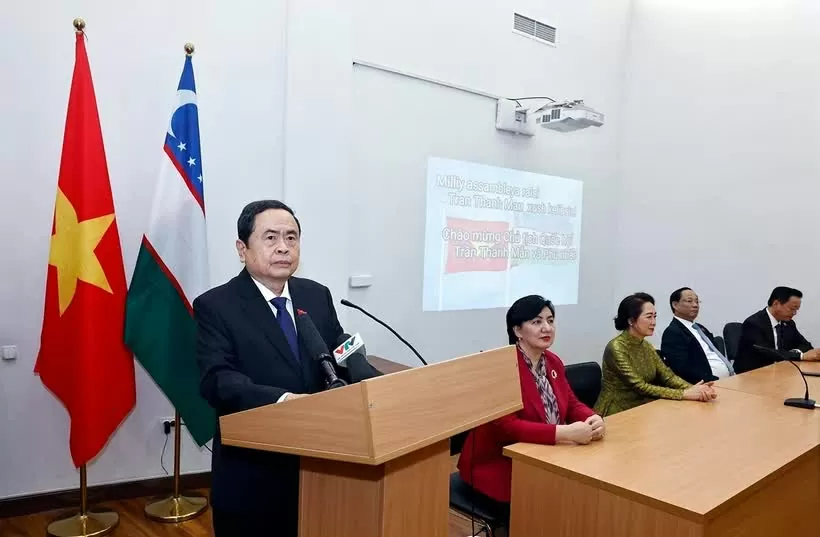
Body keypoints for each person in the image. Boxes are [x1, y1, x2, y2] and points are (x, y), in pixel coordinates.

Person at [194, 200, 344, 537]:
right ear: (242, 249)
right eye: (271, 237)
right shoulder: (216, 306)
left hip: (322, 466)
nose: (283, 247)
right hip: (254, 472)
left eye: (291, 238)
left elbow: (337, 354)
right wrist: (284, 400)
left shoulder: (316, 295)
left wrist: (375, 380)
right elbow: (218, 380)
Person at [457, 295, 605, 517]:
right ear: (517, 330)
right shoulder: (502, 367)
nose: (547, 328)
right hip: (499, 462)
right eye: (536, 322)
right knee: (550, 501)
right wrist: (563, 432)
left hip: (545, 453)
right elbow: (507, 427)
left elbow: (571, 403)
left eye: (550, 320)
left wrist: (592, 418)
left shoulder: (552, 361)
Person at [594, 292, 717, 417]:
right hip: (617, 412)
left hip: (644, 407)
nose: (653, 322)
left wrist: (695, 389)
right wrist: (684, 394)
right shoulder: (616, 348)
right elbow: (640, 387)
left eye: (655, 316)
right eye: (649, 317)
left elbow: (668, 376)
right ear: (631, 320)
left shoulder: (646, 345)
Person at [735, 286, 820, 373]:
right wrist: (800, 356)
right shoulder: (753, 323)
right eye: (792, 309)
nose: (794, 313)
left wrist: (794, 353)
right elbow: (767, 352)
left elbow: (806, 345)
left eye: (796, 310)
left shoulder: (788, 323)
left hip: (780, 371)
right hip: (753, 373)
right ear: (776, 304)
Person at [661, 287, 735, 383]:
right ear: (675, 305)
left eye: (697, 301)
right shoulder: (672, 333)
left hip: (730, 378)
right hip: (709, 384)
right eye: (689, 301)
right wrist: (712, 380)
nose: (695, 305)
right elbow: (682, 369)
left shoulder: (700, 328)